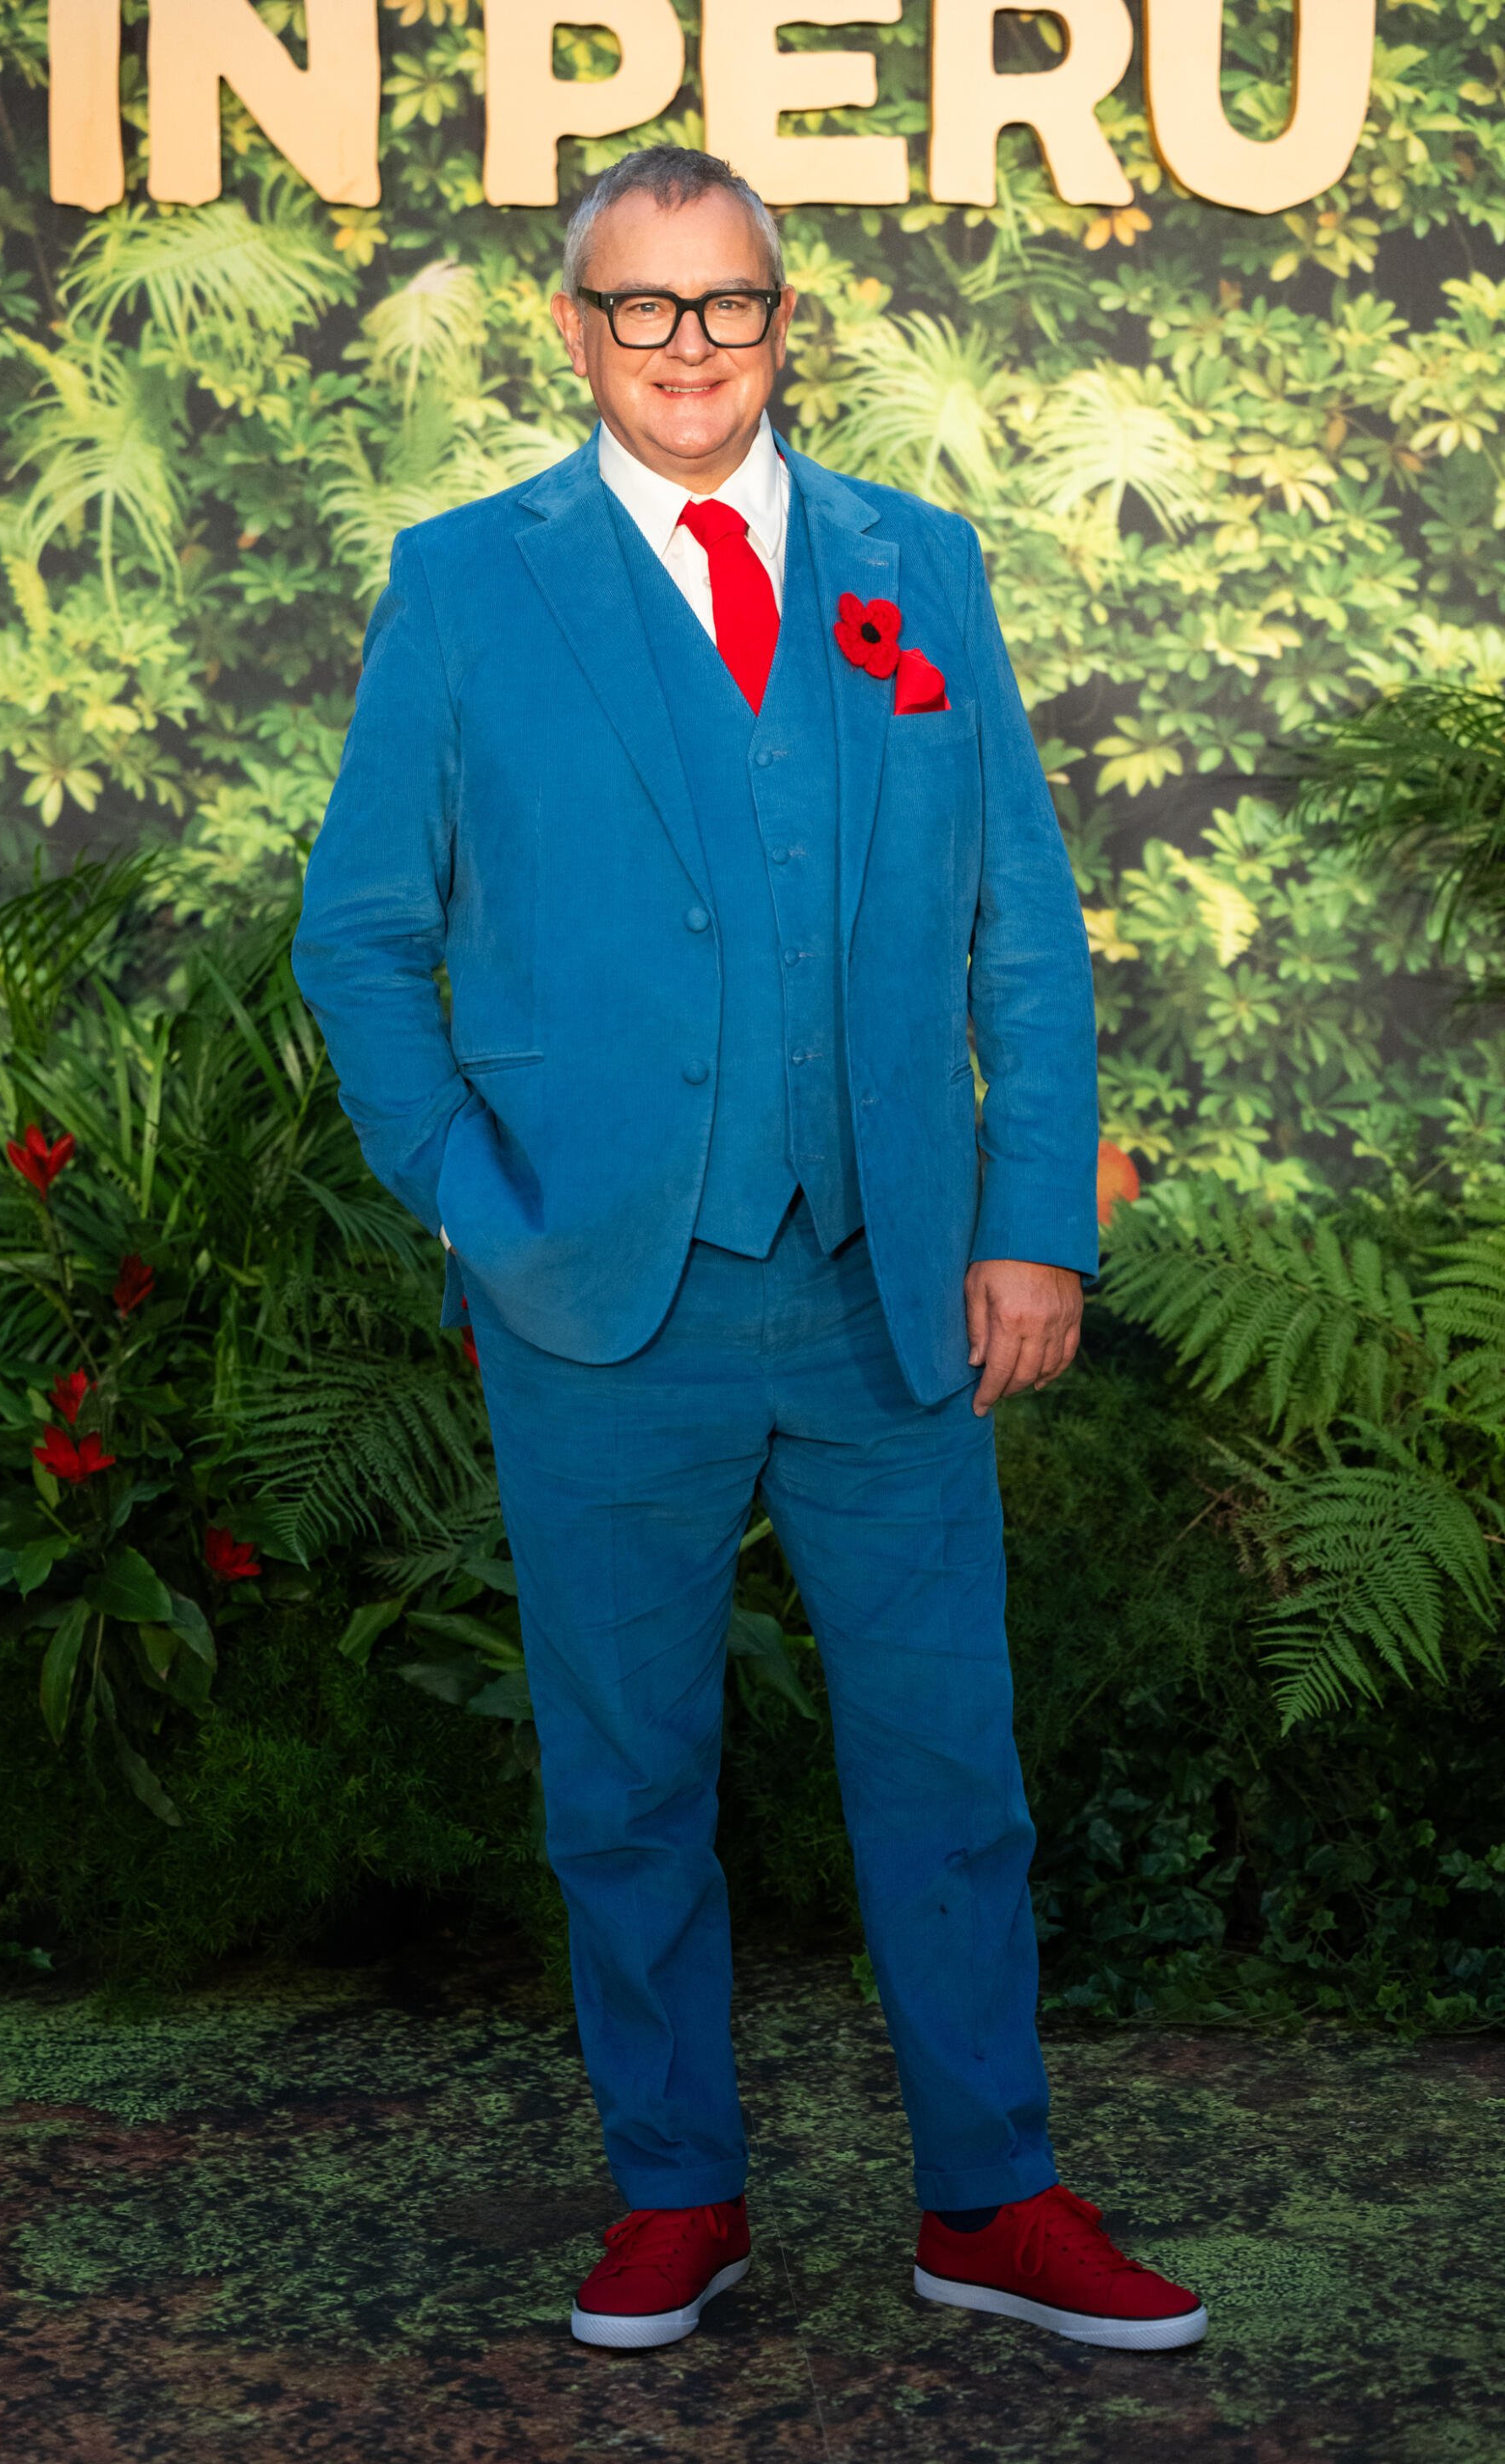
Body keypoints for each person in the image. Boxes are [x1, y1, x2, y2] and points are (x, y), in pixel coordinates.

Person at [293, 145, 1206, 2357]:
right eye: (643, 308)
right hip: (599, 1301)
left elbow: (1022, 931)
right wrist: (483, 1211)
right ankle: (674, 2191)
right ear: (576, 328)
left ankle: (991, 2202)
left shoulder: (921, 570)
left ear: (782, 319)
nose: (686, 346)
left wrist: (1025, 1222)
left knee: (950, 1772)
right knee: (625, 1785)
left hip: (895, 1282)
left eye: (728, 306)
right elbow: (363, 934)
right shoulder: (465, 584)